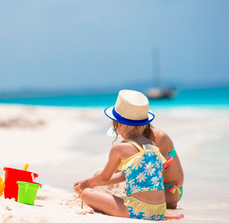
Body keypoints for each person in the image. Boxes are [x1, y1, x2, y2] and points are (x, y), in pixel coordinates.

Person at [73, 89, 183, 221]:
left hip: (136, 211)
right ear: (143, 124)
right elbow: (131, 175)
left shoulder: (119, 148)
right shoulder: (152, 146)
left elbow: (104, 177)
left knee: (87, 194)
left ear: (118, 124)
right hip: (159, 211)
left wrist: (87, 183)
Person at [142, 125, 184, 209]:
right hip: (156, 185)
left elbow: (158, 175)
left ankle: (167, 202)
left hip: (170, 189)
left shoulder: (160, 137)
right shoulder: (136, 138)